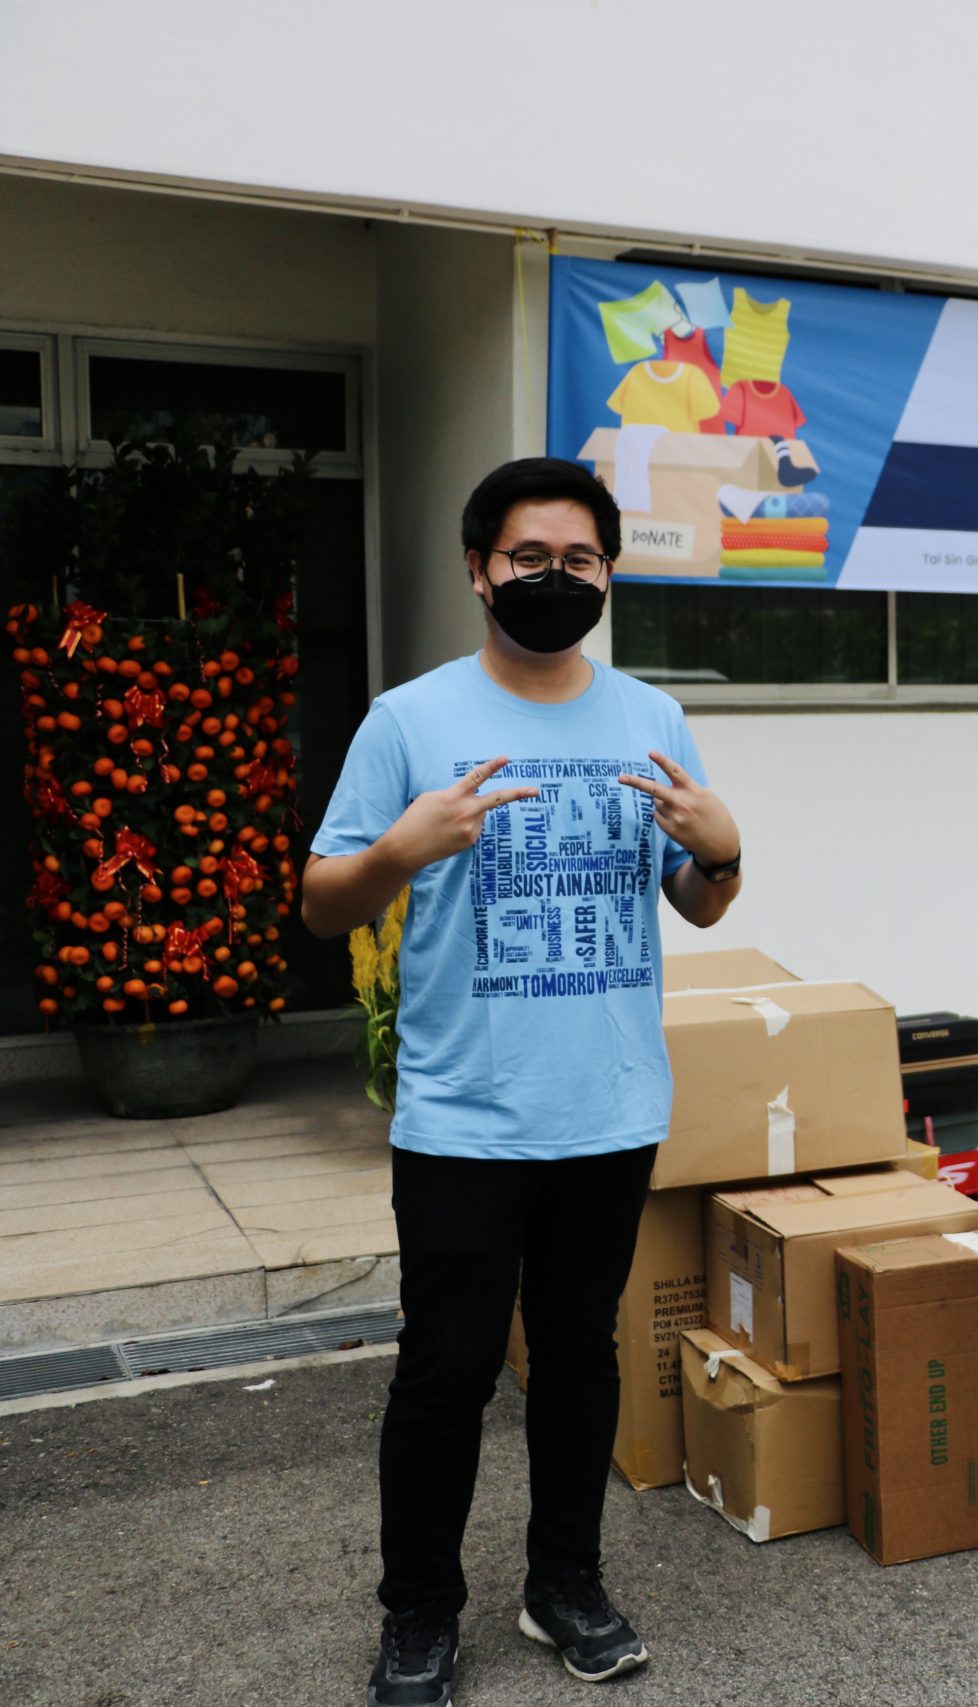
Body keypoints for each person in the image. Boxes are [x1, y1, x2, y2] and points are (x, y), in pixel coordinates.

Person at [304, 458, 743, 1705]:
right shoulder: (409, 721)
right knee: (443, 1373)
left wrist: (722, 854)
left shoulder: (652, 717)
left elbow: (698, 901)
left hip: (610, 1106)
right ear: (478, 569)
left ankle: (565, 1585)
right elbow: (323, 902)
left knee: (579, 1356)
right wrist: (402, 849)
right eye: (529, 559)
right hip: (463, 1116)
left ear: (609, 572)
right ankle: (417, 1615)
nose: (556, 579)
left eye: (580, 561)